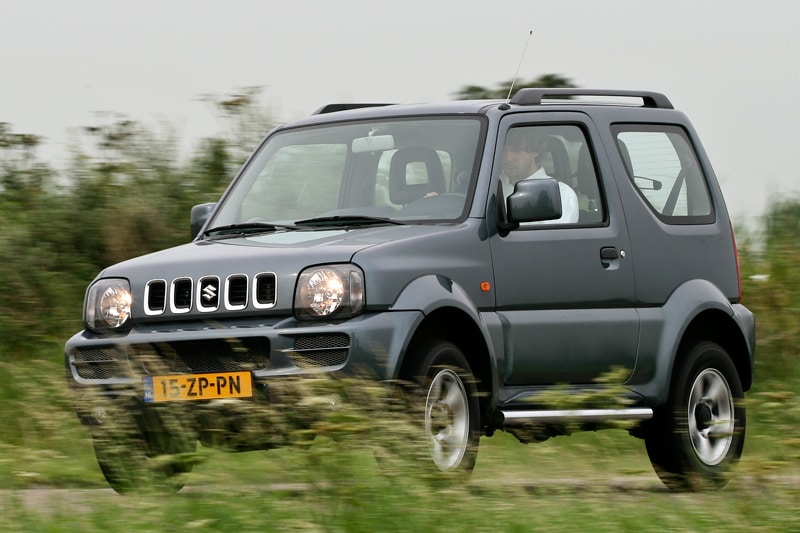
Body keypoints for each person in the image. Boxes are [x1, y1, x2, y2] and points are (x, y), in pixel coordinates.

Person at [501, 128, 579, 224]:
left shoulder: (562, 194)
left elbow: (553, 237)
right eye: (502, 150)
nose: (507, 158)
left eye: (516, 150)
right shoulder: (488, 187)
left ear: (535, 150)